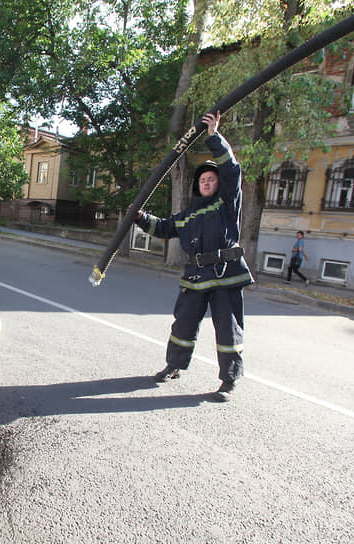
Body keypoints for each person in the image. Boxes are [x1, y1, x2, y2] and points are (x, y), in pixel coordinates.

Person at [135, 111, 253, 402]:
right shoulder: (187, 216)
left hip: (225, 276)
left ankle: (228, 380)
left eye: (212, 179)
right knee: (183, 325)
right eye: (203, 179)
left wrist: (214, 138)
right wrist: (139, 217)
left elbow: (232, 172)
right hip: (195, 277)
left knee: (228, 329)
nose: (207, 182)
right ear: (197, 184)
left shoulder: (227, 204)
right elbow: (162, 228)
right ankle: (174, 365)